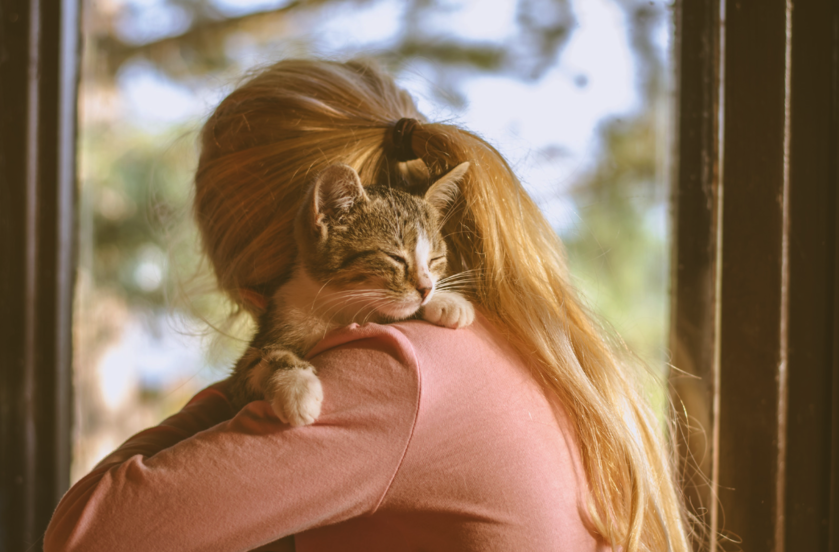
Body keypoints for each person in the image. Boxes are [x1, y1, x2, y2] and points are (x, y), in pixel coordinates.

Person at [44, 59, 691, 551]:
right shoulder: (483, 343)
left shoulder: (396, 372)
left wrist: (273, 346)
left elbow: (87, 534)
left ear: (249, 289)